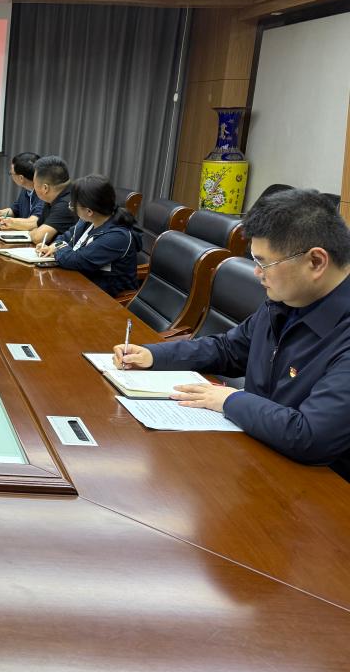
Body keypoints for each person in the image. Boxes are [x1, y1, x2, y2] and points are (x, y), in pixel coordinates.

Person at [113, 189, 350, 479]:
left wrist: (229, 400)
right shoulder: (287, 301)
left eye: (264, 263)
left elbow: (310, 436)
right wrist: (154, 355)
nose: (257, 273)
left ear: (316, 262)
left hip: (318, 488)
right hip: (256, 455)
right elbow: (228, 349)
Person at [35, 174, 140, 296]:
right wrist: (52, 246)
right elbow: (66, 237)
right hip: (82, 285)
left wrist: (58, 249)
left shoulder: (117, 237)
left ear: (89, 211)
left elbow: (76, 260)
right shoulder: (88, 221)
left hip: (106, 298)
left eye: (73, 205)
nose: (71, 208)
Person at [0, 152, 43, 231]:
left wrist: (0, 220)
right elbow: (15, 210)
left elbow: (33, 222)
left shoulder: (44, 194)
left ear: (21, 178)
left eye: (11, 173)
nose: (11, 175)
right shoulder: (27, 189)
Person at [28, 155, 78, 244]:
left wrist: (33, 233)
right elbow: (38, 226)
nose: (33, 187)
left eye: (34, 183)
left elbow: (38, 238)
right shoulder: (53, 198)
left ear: (45, 188)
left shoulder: (66, 204)